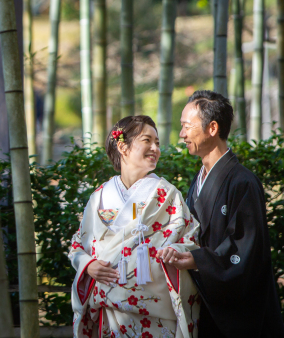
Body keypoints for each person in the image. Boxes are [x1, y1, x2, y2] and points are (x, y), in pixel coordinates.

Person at [156, 90, 284, 338]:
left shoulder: (243, 182)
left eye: (186, 126)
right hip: (205, 301)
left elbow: (244, 250)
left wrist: (197, 260)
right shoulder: (199, 180)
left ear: (212, 128)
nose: (181, 134)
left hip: (238, 315)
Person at [69, 115, 201, 338]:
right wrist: (88, 265)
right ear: (122, 146)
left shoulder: (167, 195)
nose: (154, 148)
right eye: (147, 140)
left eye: (157, 143)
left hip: (157, 315)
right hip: (111, 312)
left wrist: (176, 250)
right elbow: (77, 245)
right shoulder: (100, 197)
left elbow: (191, 240)